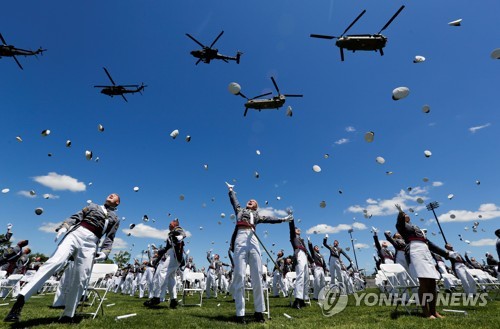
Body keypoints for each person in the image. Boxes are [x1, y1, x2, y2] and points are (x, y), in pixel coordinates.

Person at [4, 193, 121, 323]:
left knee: (81, 277)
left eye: (115, 196)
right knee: (54, 263)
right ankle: (19, 303)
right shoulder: (92, 206)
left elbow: (110, 237)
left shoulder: (115, 218)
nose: (111, 195)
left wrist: (105, 252)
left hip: (92, 243)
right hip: (76, 234)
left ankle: (68, 315)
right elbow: (76, 217)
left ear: (117, 203)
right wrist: (64, 227)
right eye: (111, 194)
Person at [227, 183, 292, 324]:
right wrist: (231, 190)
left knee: (257, 275)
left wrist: (283, 219)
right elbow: (235, 200)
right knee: (239, 275)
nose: (250, 201)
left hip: (253, 238)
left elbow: (270, 219)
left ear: (256, 207)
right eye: (249, 201)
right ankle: (240, 313)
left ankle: (259, 311)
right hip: (240, 237)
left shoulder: (257, 216)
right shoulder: (239, 210)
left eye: (253, 201)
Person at [395, 204, 449, 319]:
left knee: (432, 282)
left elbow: (429, 243)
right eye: (404, 214)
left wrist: (446, 253)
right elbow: (399, 223)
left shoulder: (417, 227)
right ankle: (426, 311)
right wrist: (400, 213)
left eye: (406, 213)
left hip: (425, 251)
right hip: (414, 250)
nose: (406, 214)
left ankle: (434, 311)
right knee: (424, 281)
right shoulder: (402, 227)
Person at [144, 219, 186, 309]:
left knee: (162, 272)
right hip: (172, 254)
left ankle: (157, 297)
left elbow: (183, 234)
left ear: (175, 224)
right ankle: (173, 300)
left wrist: (177, 237)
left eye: (170, 223)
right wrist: (159, 252)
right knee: (171, 278)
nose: (169, 225)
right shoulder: (170, 234)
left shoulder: (177, 229)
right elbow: (167, 247)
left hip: (174, 255)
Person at [289, 218, 312, 309]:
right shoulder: (293, 237)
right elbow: (291, 229)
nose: (299, 230)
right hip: (298, 255)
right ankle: (297, 300)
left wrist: (312, 261)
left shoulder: (302, 240)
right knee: (300, 277)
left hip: (304, 256)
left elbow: (306, 251)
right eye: (297, 229)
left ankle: (303, 299)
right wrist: (291, 220)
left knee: (306, 278)